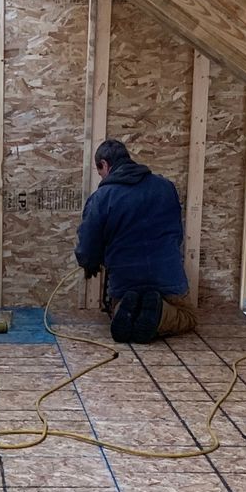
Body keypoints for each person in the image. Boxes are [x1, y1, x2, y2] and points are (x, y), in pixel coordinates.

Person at [74, 138, 197, 344]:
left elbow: (88, 244)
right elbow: (177, 235)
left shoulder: (101, 197)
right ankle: (158, 314)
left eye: (100, 172)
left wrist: (89, 263)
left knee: (124, 310)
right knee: (186, 315)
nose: (101, 177)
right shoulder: (165, 187)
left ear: (104, 165)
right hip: (168, 278)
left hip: (125, 283)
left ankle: (127, 309)